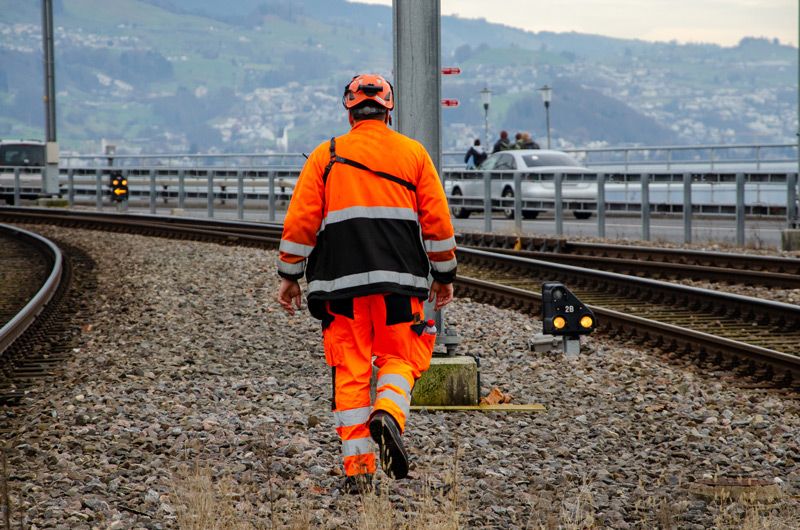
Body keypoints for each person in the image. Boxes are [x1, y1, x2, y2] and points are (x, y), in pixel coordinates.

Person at [276, 74, 457, 494]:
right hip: (400, 285)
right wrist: (444, 274)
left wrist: (290, 275)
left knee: (351, 371)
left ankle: (359, 472)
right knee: (401, 358)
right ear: (389, 111)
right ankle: (389, 413)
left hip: (340, 290)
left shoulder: (326, 156)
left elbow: (301, 221)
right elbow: (437, 220)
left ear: (350, 111)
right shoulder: (413, 154)